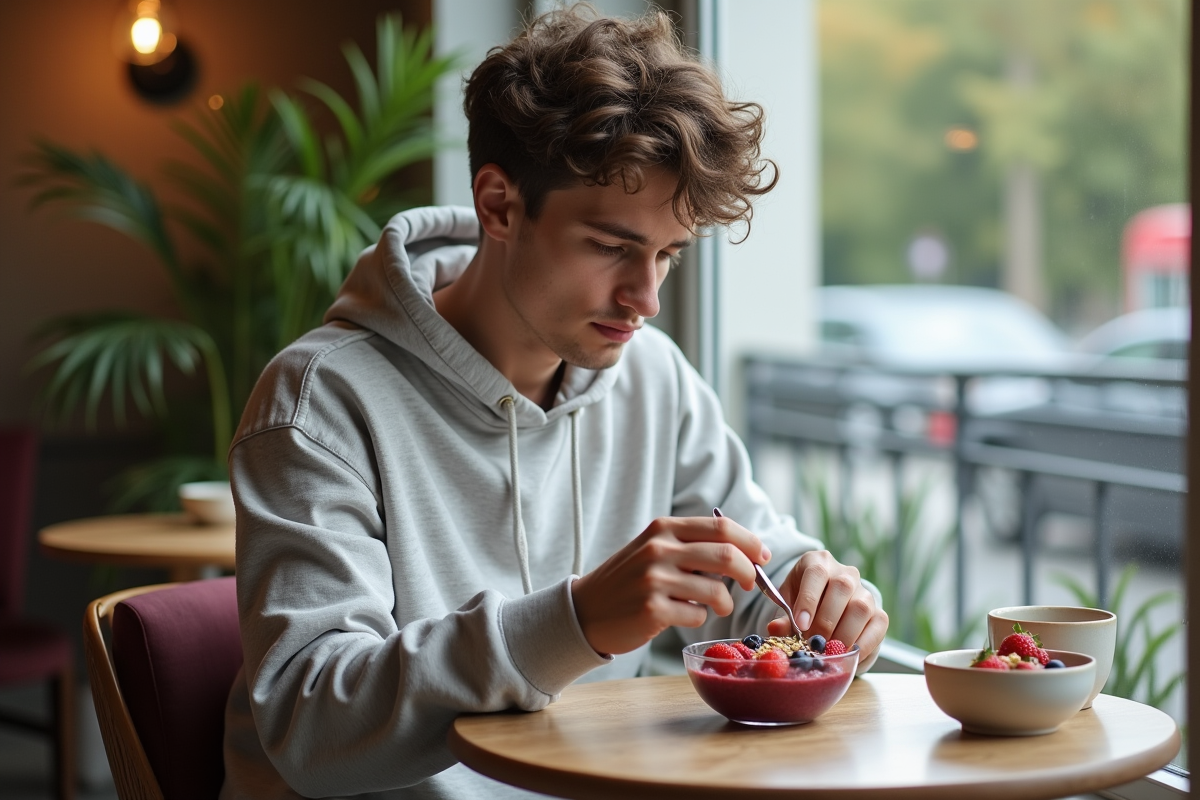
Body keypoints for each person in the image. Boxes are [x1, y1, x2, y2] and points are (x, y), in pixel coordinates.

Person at [220, 6, 888, 800]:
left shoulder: (654, 378)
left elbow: (752, 578)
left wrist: (820, 597)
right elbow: (310, 726)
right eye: (612, 247)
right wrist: (574, 622)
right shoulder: (319, 401)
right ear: (499, 206)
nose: (647, 299)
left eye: (668, 255)